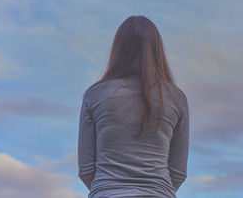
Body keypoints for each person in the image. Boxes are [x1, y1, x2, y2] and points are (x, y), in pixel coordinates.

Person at [78, 15, 189, 198]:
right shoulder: (175, 98)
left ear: (119, 49)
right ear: (157, 51)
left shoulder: (95, 95)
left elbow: (86, 169)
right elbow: (178, 172)